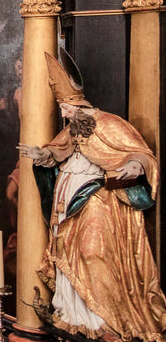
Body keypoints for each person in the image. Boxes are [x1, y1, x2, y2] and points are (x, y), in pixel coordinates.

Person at [20, 53, 166, 340]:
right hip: (67, 203)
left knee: (93, 253)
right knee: (67, 254)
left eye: (65, 108)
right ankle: (74, 316)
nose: (64, 114)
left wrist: (135, 165)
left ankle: (105, 320)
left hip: (98, 201)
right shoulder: (72, 129)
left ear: (78, 105)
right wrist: (42, 154)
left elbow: (142, 154)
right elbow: (57, 151)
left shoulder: (110, 124)